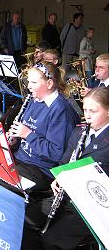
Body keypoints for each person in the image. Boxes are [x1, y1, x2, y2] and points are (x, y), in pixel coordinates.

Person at [22, 87, 109, 250]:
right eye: (85, 109)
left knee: (51, 240)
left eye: (93, 111)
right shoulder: (79, 132)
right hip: (67, 197)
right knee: (25, 220)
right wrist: (59, 176)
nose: (87, 115)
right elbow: (64, 163)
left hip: (93, 207)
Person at [8, 62, 80, 191]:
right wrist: (15, 140)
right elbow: (25, 135)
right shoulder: (34, 100)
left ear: (49, 84)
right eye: (28, 81)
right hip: (22, 159)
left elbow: (56, 153)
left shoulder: (61, 110)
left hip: (42, 169)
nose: (28, 86)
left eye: (33, 83)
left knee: (3, 182)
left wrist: (28, 135)